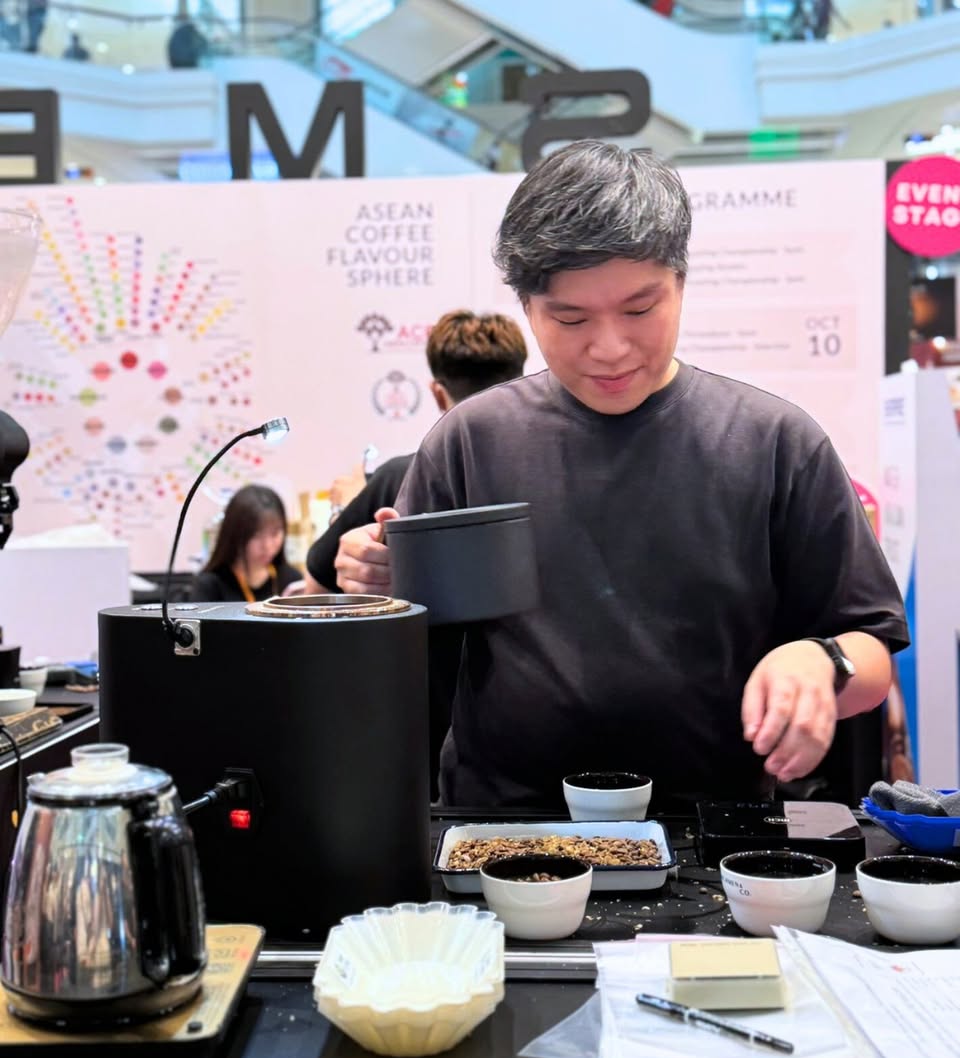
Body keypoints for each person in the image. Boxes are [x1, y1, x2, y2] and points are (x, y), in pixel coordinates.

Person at [334, 140, 909, 814]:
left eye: (640, 310)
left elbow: (870, 649)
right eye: (570, 319)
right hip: (504, 822)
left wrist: (822, 662)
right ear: (527, 308)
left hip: (711, 824)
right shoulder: (473, 439)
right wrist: (375, 582)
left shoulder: (775, 442)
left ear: (681, 283)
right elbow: (405, 636)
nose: (608, 348)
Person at [303, 310, 528, 592]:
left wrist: (344, 512)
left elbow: (316, 589)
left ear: (436, 393)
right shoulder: (551, 474)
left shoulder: (398, 478)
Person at [190, 484, 301, 603]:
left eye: (275, 534)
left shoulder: (292, 581)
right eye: (256, 536)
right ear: (235, 533)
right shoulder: (210, 585)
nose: (267, 546)